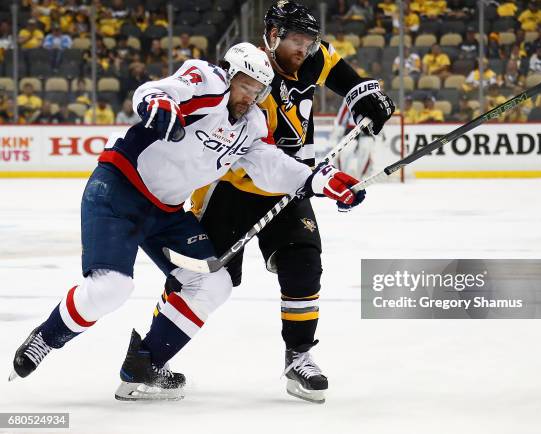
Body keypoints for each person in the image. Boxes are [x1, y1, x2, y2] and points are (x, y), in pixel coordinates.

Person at [10, 43, 365, 403]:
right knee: (111, 288)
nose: (250, 97)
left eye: (259, 91)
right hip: (119, 189)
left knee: (215, 283)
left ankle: (145, 366)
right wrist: (158, 103)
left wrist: (321, 181)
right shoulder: (207, 81)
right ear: (229, 74)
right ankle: (45, 338)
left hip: (165, 211)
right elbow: (157, 90)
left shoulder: (251, 124)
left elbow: (269, 166)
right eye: (246, 86)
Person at [151, 0, 394, 404]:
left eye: (308, 40)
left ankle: (299, 356)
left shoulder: (315, 57)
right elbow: (258, 154)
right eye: (295, 39)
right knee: (199, 278)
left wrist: (365, 99)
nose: (303, 48)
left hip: (288, 184)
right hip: (229, 188)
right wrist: (321, 180)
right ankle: (150, 355)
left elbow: (347, 78)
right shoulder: (250, 75)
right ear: (273, 35)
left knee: (304, 261)